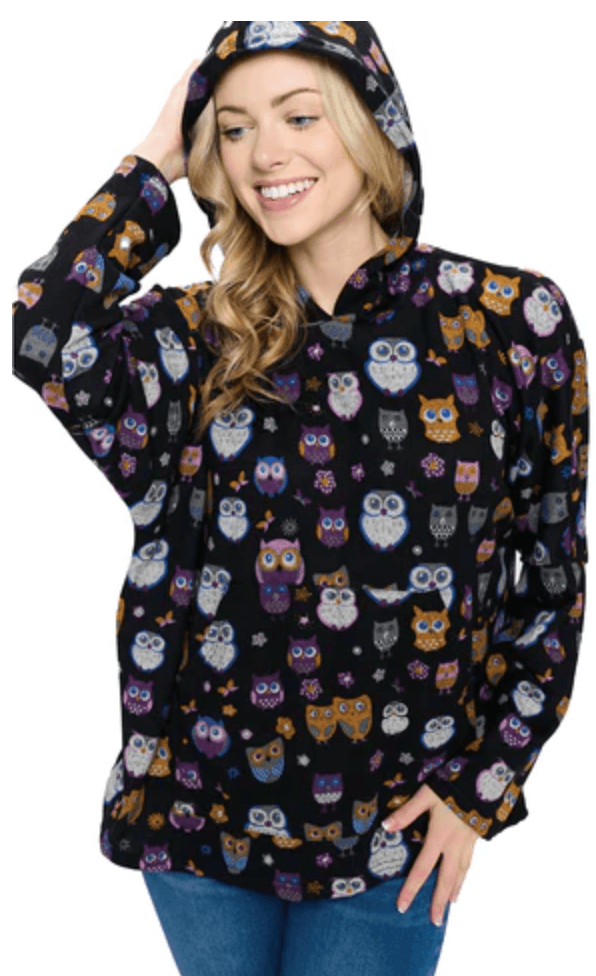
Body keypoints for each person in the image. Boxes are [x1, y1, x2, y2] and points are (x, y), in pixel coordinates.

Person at [11, 20, 589, 976]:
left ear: (374, 126)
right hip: (197, 822)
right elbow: (45, 338)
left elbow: (554, 581)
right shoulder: (193, 338)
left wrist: (480, 786)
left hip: (394, 830)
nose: (263, 154)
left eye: (299, 116)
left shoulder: (510, 324)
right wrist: (154, 158)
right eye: (234, 128)